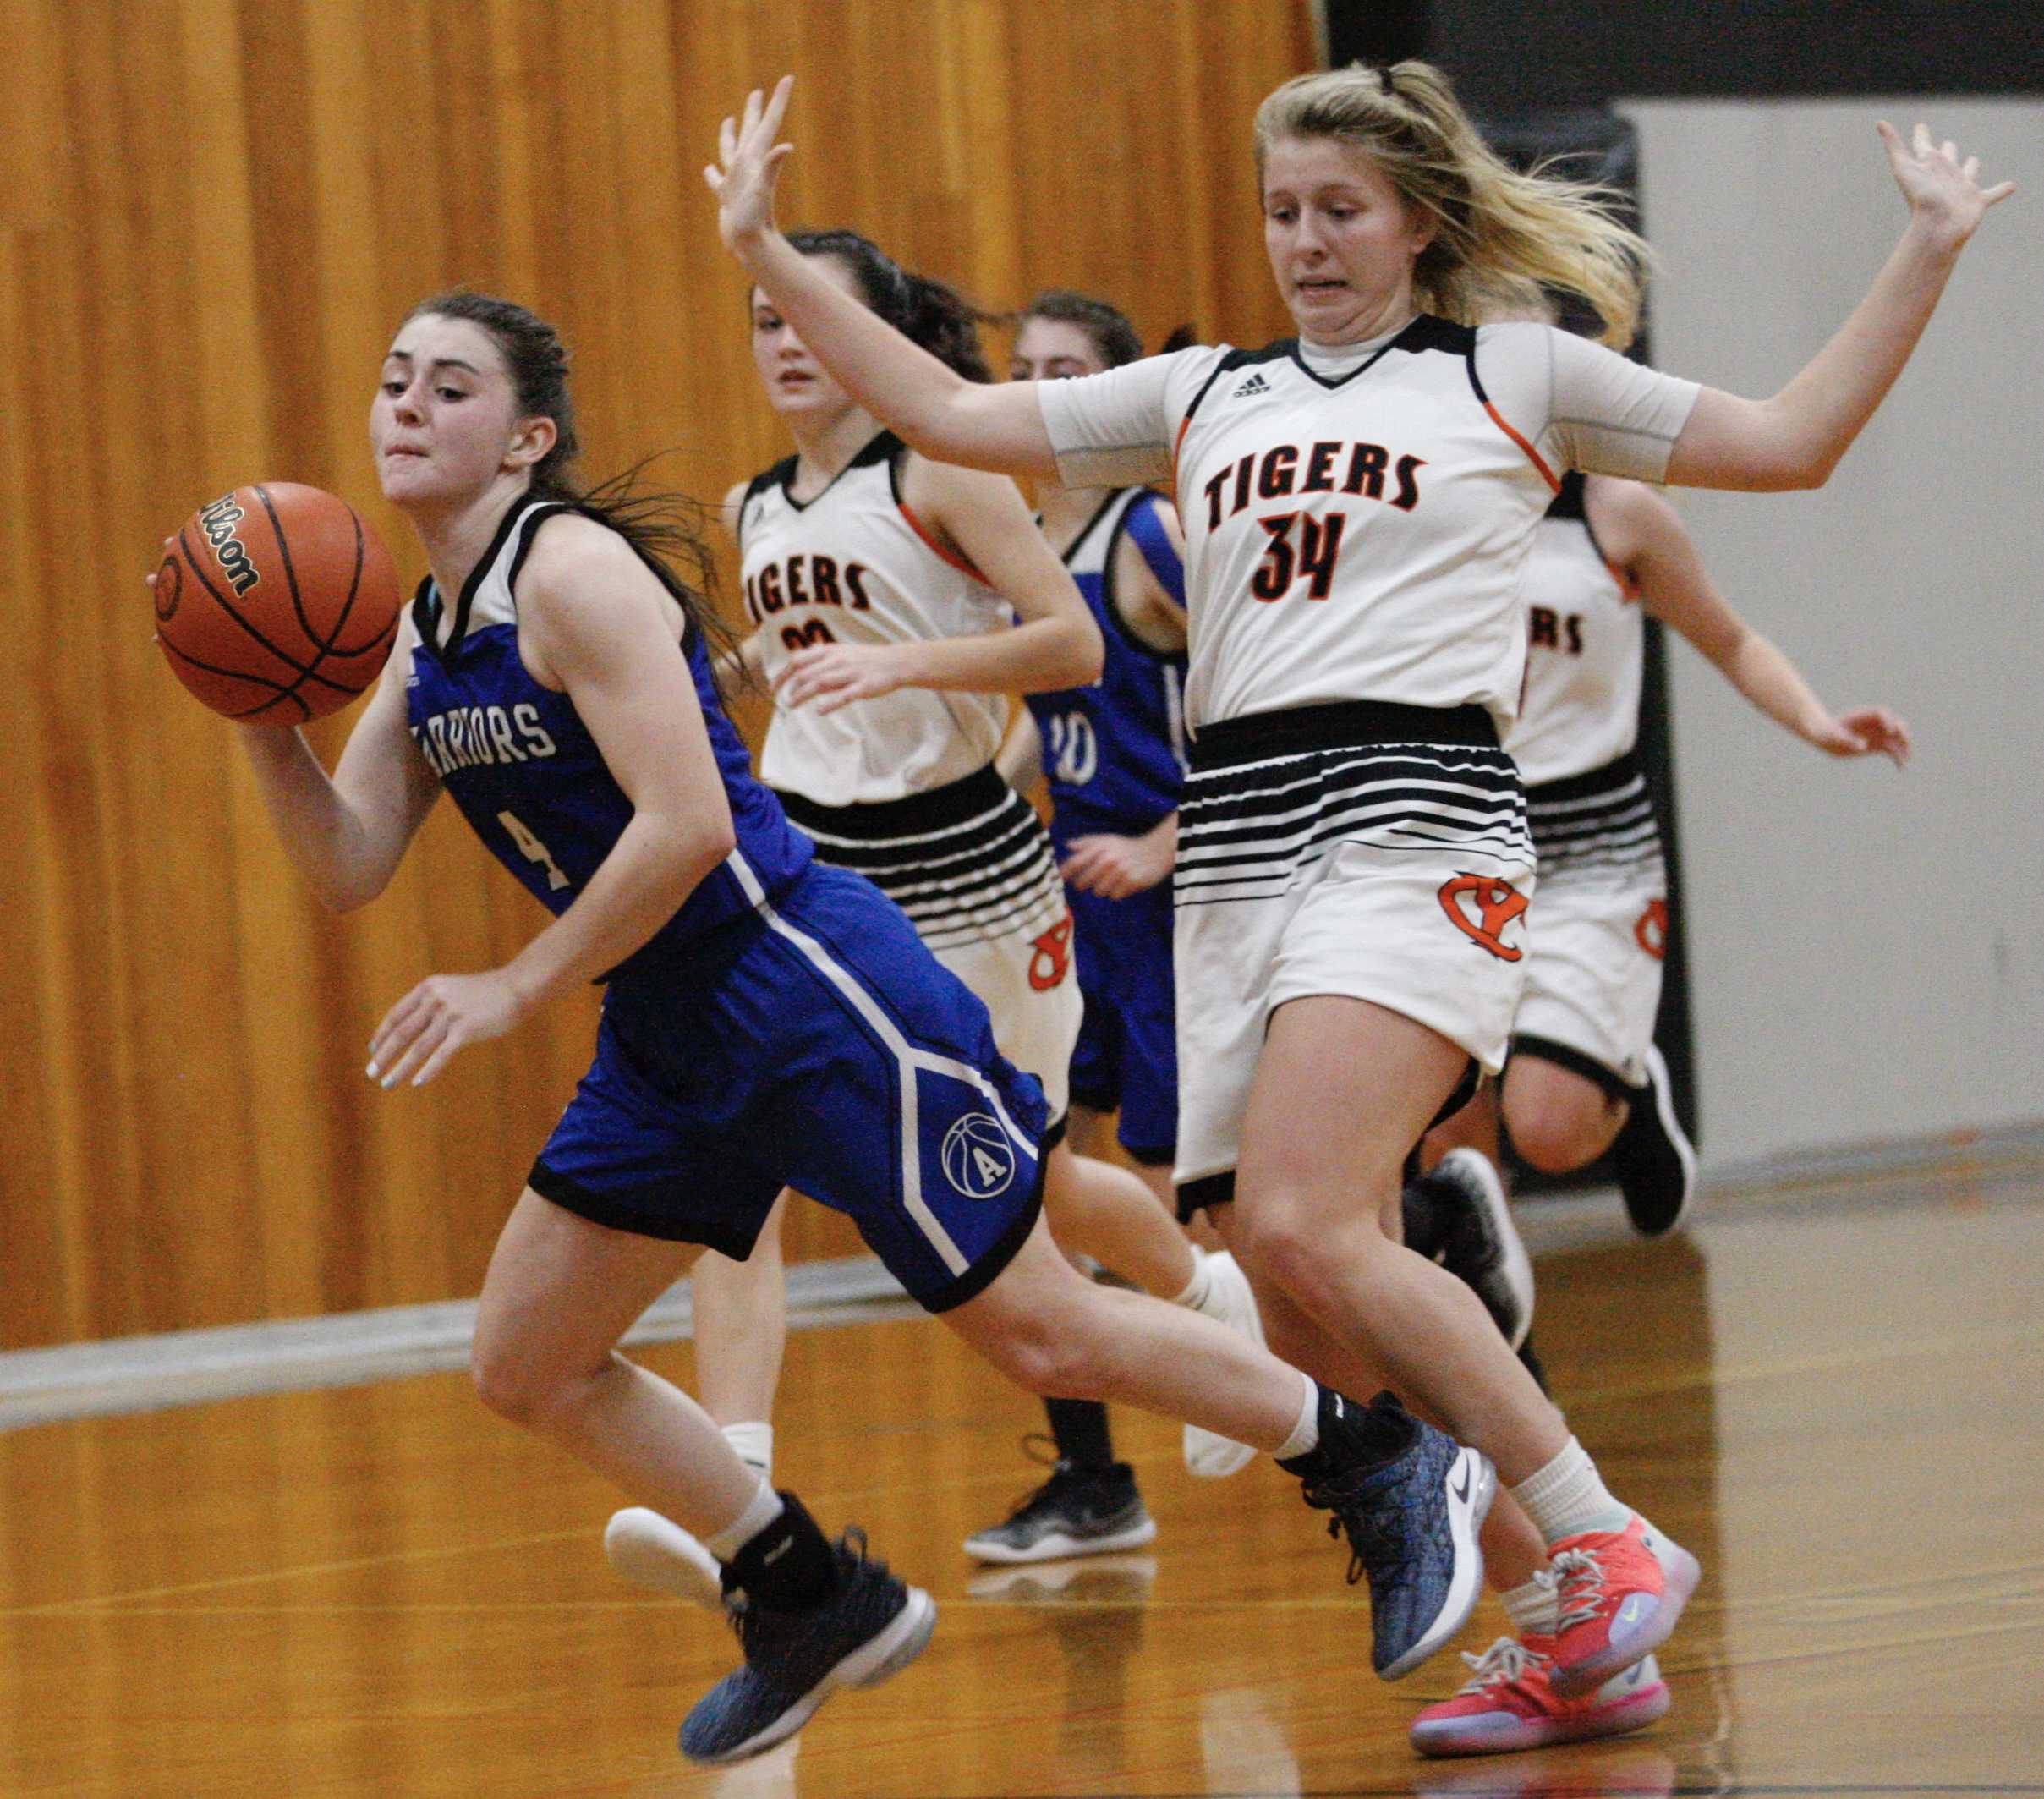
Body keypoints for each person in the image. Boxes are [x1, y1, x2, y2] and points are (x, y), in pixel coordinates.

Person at [704, 65, 2009, 1752]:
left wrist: (1917, 249)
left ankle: (1601, 1534)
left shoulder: (1511, 370)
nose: (1305, 240)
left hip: (1416, 822)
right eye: (1279, 210)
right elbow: (949, 419)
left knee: (1313, 1218)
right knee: (1286, 1265)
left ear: (1415, 220)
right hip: (1238, 842)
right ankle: (1567, 1630)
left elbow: (1789, 443)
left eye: (1338, 208)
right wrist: (768, 249)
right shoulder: (1199, 393)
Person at [206, 289, 1498, 1763]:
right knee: (527, 1358)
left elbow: (688, 822)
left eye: (449, 386)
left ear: (526, 440)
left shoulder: (570, 575)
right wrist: (257, 719)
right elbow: (347, 864)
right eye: (394, 381)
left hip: (803, 982)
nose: (407, 405)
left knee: (1043, 1328)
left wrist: (514, 986)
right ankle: (803, 1590)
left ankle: (1382, 1458)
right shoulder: (425, 638)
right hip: (672, 1027)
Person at [603, 234, 1265, 1599]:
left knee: (1016, 1192)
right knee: (742, 1178)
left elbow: (1071, 647)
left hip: (971, 865)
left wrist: (906, 658)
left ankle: (1205, 1305)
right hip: (814, 871)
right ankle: (737, 1488)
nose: (784, 338)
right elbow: (792, 670)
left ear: (877, 333)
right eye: (762, 318)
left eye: (809, 313)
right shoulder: (753, 502)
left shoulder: (941, 465)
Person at [1422, 460, 1910, 1239]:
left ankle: (1631, 1084)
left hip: (1591, 846)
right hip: (1456, 836)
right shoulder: (1427, 492)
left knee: (1545, 1129)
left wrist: (1818, 722)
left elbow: (1730, 637)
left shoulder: (1616, 512)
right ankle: (1505, 1343)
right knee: (1444, 1137)